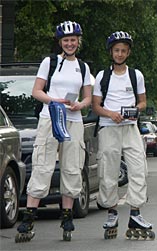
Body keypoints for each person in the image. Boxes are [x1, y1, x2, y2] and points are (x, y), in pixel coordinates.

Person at [15, 21, 92, 242]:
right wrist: (54, 101)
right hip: (50, 118)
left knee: (72, 165)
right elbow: (36, 91)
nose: (70, 43)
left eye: (73, 40)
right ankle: (29, 216)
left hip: (73, 120)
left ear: (78, 41)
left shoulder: (83, 67)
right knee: (43, 164)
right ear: (60, 42)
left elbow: (87, 96)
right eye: (66, 40)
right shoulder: (49, 63)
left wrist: (81, 104)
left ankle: (67, 215)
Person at [92, 31, 154, 240]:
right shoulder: (103, 76)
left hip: (130, 128)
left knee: (139, 168)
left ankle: (135, 212)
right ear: (111, 52)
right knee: (108, 171)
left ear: (128, 53)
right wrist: (111, 114)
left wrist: (136, 110)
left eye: (123, 51)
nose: (120, 54)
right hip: (109, 127)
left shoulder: (136, 75)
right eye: (117, 50)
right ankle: (111, 212)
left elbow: (143, 101)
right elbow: (96, 105)